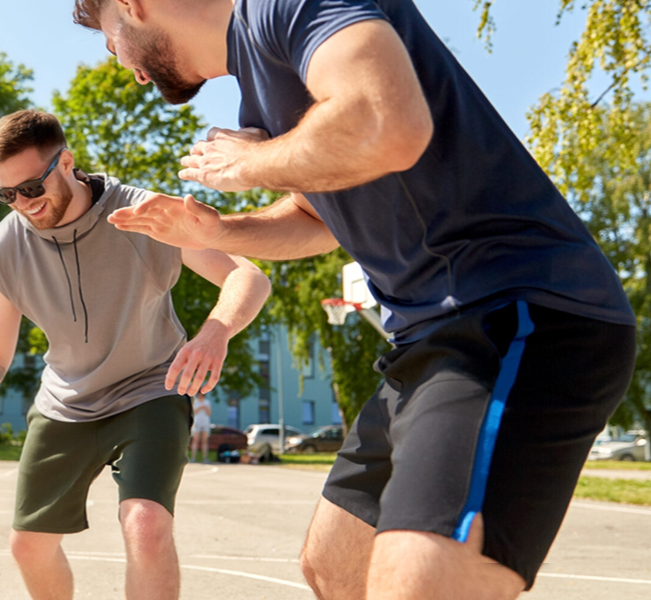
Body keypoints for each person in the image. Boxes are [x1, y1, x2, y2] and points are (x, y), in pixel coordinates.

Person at [71, 1, 638, 598]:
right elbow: (319, 219)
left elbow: (385, 119)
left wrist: (255, 161)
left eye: (112, 41)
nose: (123, 64)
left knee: (416, 585)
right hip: (428, 339)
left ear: (133, 6)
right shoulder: (259, 91)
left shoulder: (286, 6)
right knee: (336, 564)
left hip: (516, 310)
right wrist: (218, 232)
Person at [0, 109, 270, 600]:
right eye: (6, 194)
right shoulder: (1, 249)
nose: (22, 203)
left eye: (31, 188)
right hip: (66, 401)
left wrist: (217, 329)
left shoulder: (144, 213)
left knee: (145, 527)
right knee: (28, 547)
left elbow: (247, 275)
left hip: (149, 388)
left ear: (66, 162)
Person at [189, 396, 211, 463]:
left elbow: (209, 413)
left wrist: (205, 408)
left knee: (204, 441)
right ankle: (193, 458)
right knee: (195, 440)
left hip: (205, 422)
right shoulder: (195, 401)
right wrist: (199, 408)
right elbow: (193, 412)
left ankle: (205, 458)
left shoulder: (207, 402)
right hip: (197, 422)